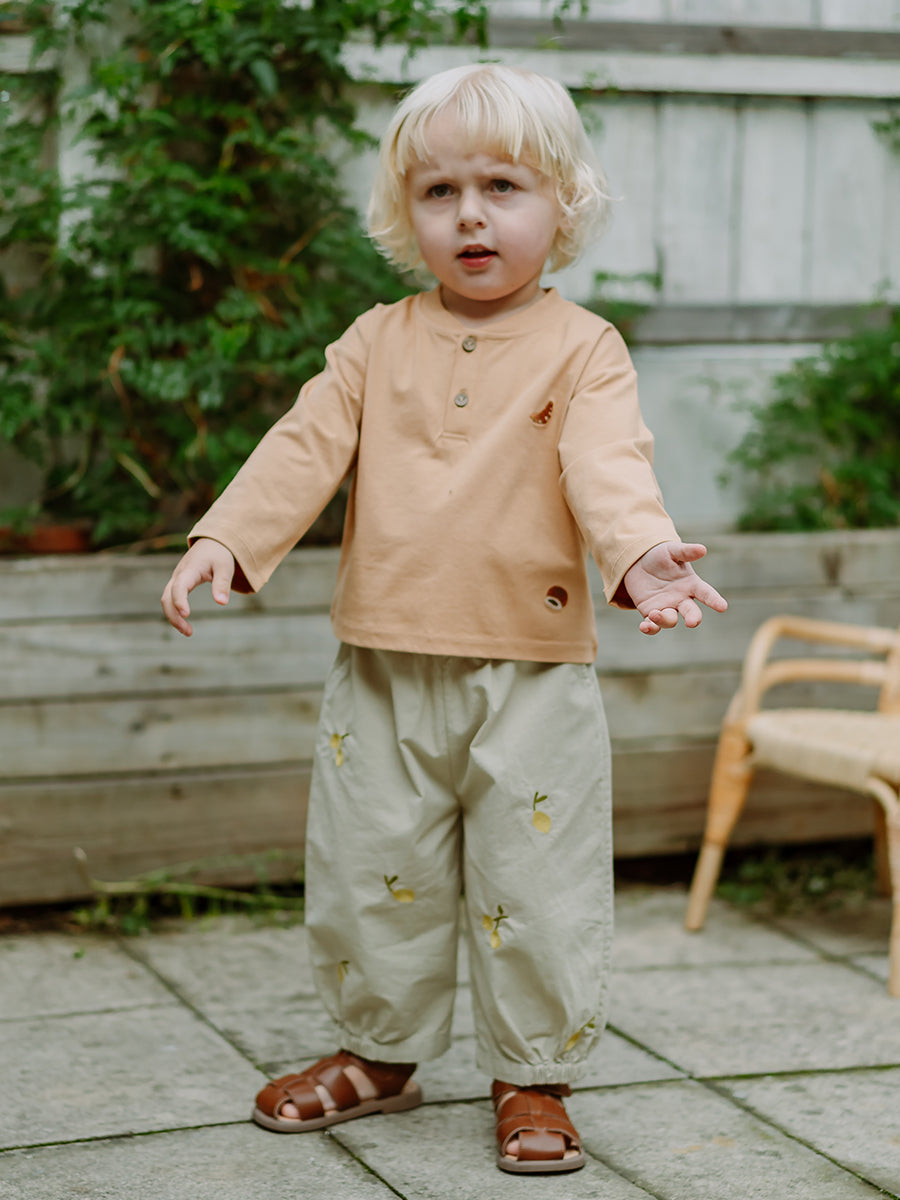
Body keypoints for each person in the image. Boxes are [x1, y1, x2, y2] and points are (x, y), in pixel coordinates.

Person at [160, 62, 727, 1175]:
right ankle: (378, 1055)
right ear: (404, 213)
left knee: (540, 885)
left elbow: (608, 464)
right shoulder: (376, 341)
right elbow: (303, 443)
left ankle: (534, 1074)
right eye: (440, 191)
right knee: (371, 869)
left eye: (503, 186)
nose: (471, 214)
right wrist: (227, 536)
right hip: (382, 669)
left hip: (533, 676)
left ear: (562, 205)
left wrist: (642, 553)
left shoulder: (584, 348)